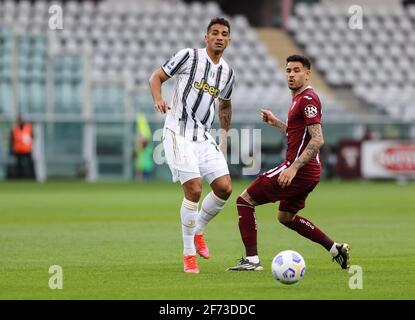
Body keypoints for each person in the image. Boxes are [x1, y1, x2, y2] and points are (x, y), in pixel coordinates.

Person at [227, 55, 350, 271]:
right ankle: (335, 248)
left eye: (296, 70)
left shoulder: (308, 100)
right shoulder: (298, 100)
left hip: (299, 169)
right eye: (288, 70)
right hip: (309, 172)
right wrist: (276, 123)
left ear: (307, 74)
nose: (291, 75)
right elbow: (296, 134)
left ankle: (252, 261)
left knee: (244, 200)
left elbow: (318, 139)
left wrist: (293, 167)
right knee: (285, 217)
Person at [149, 17, 235, 273]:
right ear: (206, 37)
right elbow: (156, 77)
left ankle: (198, 230)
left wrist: (224, 135)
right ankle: (188, 254)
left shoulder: (228, 72)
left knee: (224, 188)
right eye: (215, 33)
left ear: (229, 40)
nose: (220, 37)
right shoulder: (189, 57)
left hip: (203, 136)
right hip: (178, 132)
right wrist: (159, 99)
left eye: (224, 34)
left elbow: (226, 104)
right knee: (195, 190)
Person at [9, 114, 35, 179]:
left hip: (27, 149)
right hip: (18, 150)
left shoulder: (28, 128)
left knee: (30, 164)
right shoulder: (15, 129)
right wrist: (11, 149)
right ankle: (19, 177)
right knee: (18, 165)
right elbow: (11, 139)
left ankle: (31, 177)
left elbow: (32, 137)